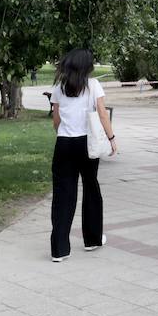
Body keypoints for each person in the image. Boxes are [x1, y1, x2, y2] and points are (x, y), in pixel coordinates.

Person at [49, 48, 116, 262]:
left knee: (63, 195)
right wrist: (111, 138)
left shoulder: (59, 88)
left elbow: (56, 121)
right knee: (91, 188)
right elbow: (103, 114)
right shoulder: (93, 85)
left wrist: (63, 132)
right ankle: (93, 239)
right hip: (87, 143)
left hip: (64, 144)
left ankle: (59, 250)